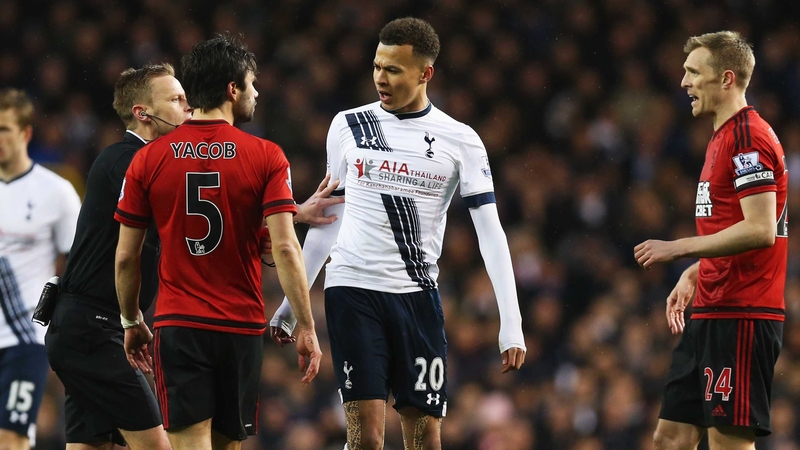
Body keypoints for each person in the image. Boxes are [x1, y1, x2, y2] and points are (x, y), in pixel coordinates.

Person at [270, 17, 527, 450]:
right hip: (353, 290)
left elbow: (491, 233)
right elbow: (329, 218)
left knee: (426, 438)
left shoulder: (460, 140)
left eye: (393, 70)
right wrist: (291, 304)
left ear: (425, 73)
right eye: (376, 66)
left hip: (418, 298)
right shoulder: (348, 125)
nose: (380, 78)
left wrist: (512, 321)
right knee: (366, 437)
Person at [114, 34, 322, 450]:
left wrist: (131, 320)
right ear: (232, 89)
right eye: (252, 83)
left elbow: (125, 258)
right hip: (239, 326)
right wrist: (305, 323)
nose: (257, 92)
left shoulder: (149, 158)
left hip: (179, 324)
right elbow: (283, 247)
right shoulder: (266, 155)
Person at [634, 31, 786, 450]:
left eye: (693, 72)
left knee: (727, 445)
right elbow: (738, 228)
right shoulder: (723, 137)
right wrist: (697, 270)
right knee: (670, 438)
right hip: (712, 307)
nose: (684, 82)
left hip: (742, 313)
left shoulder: (747, 139)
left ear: (726, 79)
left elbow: (762, 229)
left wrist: (679, 246)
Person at [44, 63, 191, 450]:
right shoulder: (125, 161)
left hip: (87, 330)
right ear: (142, 112)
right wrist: (280, 212)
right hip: (95, 330)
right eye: (176, 100)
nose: (187, 108)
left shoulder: (144, 162)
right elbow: (190, 212)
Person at [0, 88, 81, 450]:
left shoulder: (56, 193)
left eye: (4, 129)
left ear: (26, 133)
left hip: (23, 341)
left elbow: (79, 264)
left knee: (11, 437)